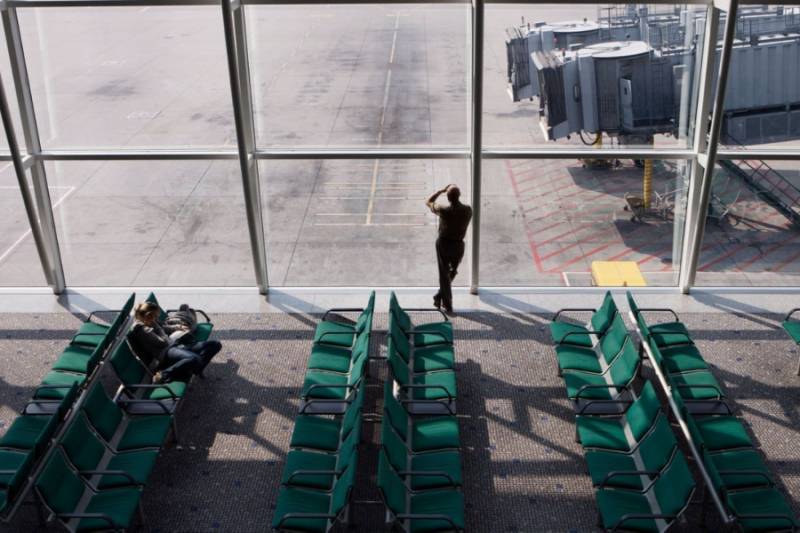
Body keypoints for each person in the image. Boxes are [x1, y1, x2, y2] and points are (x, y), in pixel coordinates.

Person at [129, 301, 221, 383]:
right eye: (155, 316)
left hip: (175, 346)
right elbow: (162, 342)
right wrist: (158, 328)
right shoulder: (142, 330)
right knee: (195, 359)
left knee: (215, 344)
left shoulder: (149, 320)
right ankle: (163, 375)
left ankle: (196, 368)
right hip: (165, 353)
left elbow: (164, 327)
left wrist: (178, 327)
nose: (156, 318)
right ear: (148, 316)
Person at [426, 184, 472, 314]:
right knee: (452, 271)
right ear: (459, 195)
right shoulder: (468, 210)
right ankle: (443, 298)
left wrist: (440, 191)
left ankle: (445, 301)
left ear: (448, 197)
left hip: (444, 244)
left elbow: (428, 202)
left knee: (444, 273)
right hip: (458, 245)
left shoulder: (444, 211)